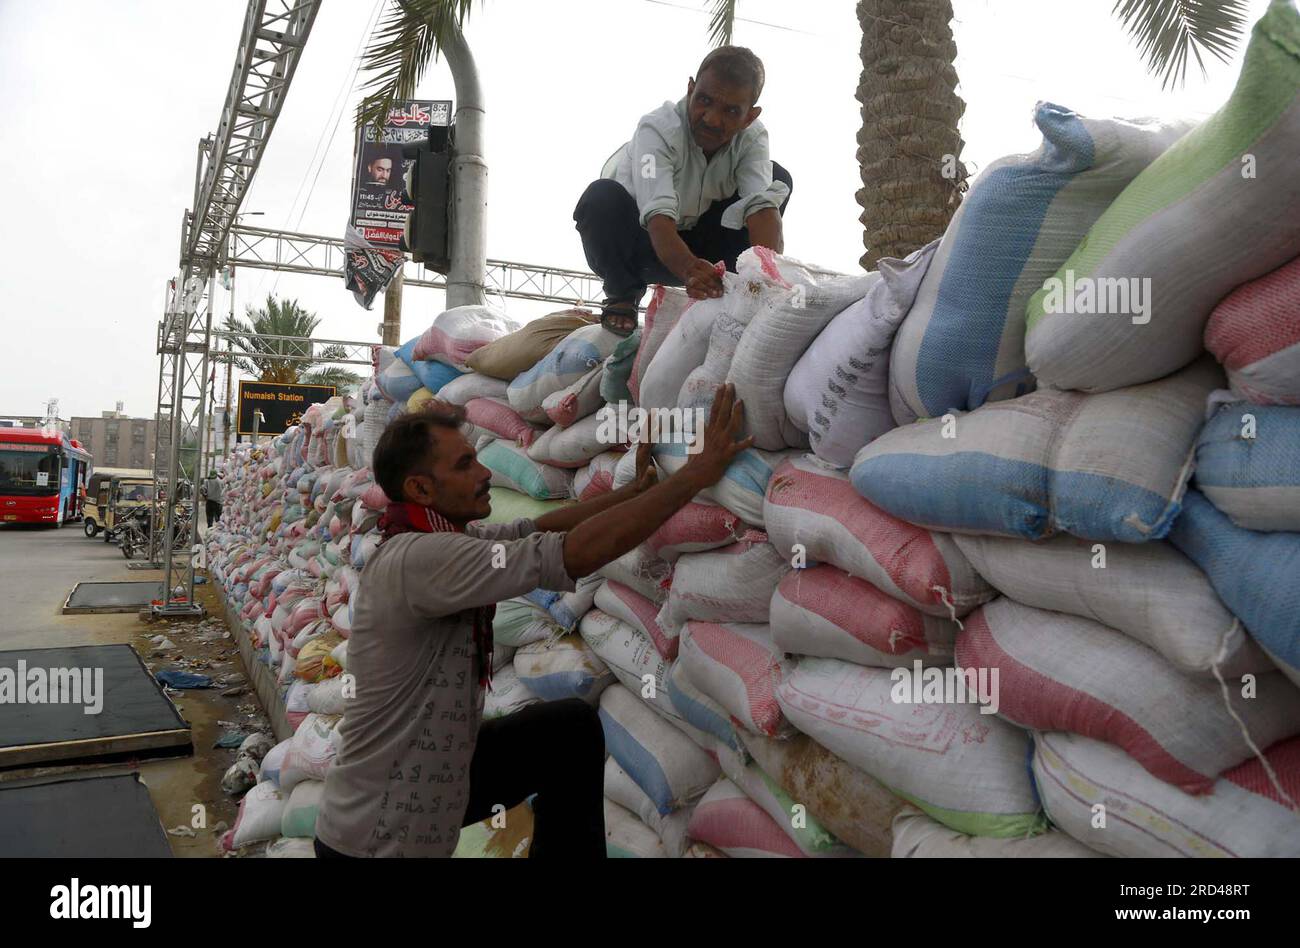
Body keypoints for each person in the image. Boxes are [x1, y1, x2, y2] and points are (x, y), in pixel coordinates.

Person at [314, 386, 753, 858]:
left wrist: (633, 492)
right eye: (464, 465)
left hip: (440, 775)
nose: (484, 472)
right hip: (378, 834)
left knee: (566, 731)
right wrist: (693, 477)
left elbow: (541, 529)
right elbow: (574, 553)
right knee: (564, 732)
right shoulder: (423, 558)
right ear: (421, 488)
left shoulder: (449, 538)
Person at [574, 45, 793, 336]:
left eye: (730, 111)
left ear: (750, 117)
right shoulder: (657, 131)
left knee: (777, 179)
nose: (713, 119)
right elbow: (658, 217)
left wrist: (767, 281)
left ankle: (737, 292)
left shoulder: (752, 139)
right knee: (600, 197)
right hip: (645, 244)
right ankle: (622, 294)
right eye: (704, 100)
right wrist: (690, 269)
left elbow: (760, 209)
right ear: (690, 89)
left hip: (704, 249)